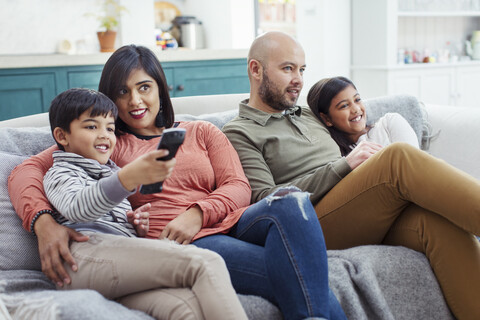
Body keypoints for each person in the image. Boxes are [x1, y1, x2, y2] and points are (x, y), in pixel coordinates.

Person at [8, 45, 347, 320]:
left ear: (160, 88)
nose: (135, 101)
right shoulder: (106, 142)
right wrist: (42, 221)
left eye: (144, 87)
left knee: (292, 200)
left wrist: (197, 213)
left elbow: (238, 187)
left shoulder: (201, 130)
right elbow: (25, 171)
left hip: (225, 222)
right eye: (122, 92)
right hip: (184, 243)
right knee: (299, 271)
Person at [222, 31, 480, 320]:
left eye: (302, 69)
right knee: (396, 158)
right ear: (255, 69)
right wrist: (343, 166)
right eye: (287, 68)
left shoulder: (307, 114)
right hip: (310, 224)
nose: (298, 79)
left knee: (437, 225)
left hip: (358, 208)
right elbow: (265, 200)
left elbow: (353, 119)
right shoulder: (239, 132)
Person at [43, 87, 248, 320]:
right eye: (92, 126)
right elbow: (79, 207)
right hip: (81, 259)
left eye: (110, 128)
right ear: (62, 136)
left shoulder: (109, 172)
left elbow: (106, 214)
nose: (105, 135)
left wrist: (134, 226)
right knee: (205, 262)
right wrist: (126, 178)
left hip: (114, 265)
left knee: (186, 309)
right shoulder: (60, 172)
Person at [307, 76, 419, 156]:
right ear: (326, 118)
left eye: (357, 99)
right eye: (344, 105)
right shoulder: (340, 158)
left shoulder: (389, 123)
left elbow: (415, 162)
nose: (356, 109)